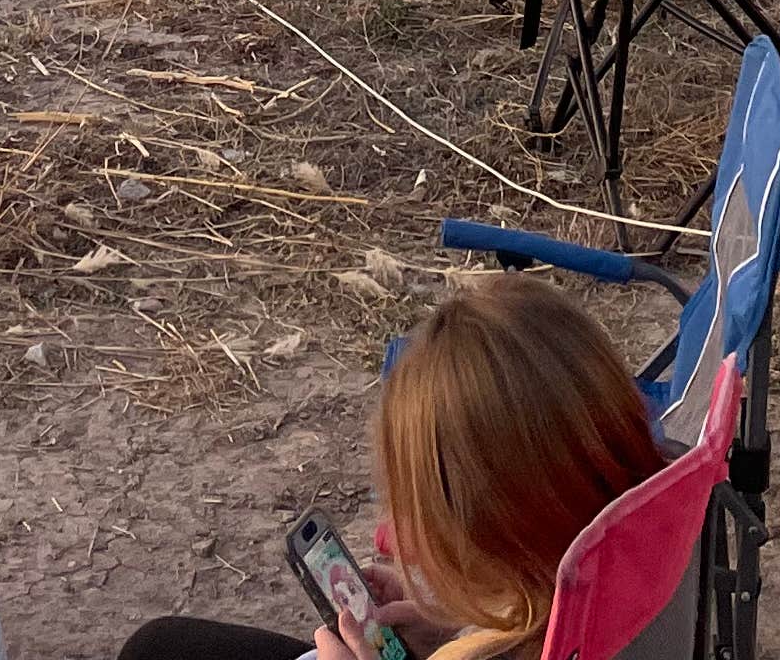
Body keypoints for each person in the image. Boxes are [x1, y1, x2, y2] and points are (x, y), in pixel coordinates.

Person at [114, 274, 668, 660]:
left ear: (487, 531)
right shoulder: (631, 552)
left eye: (417, 508)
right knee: (158, 647)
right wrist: (460, 622)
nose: (396, 535)